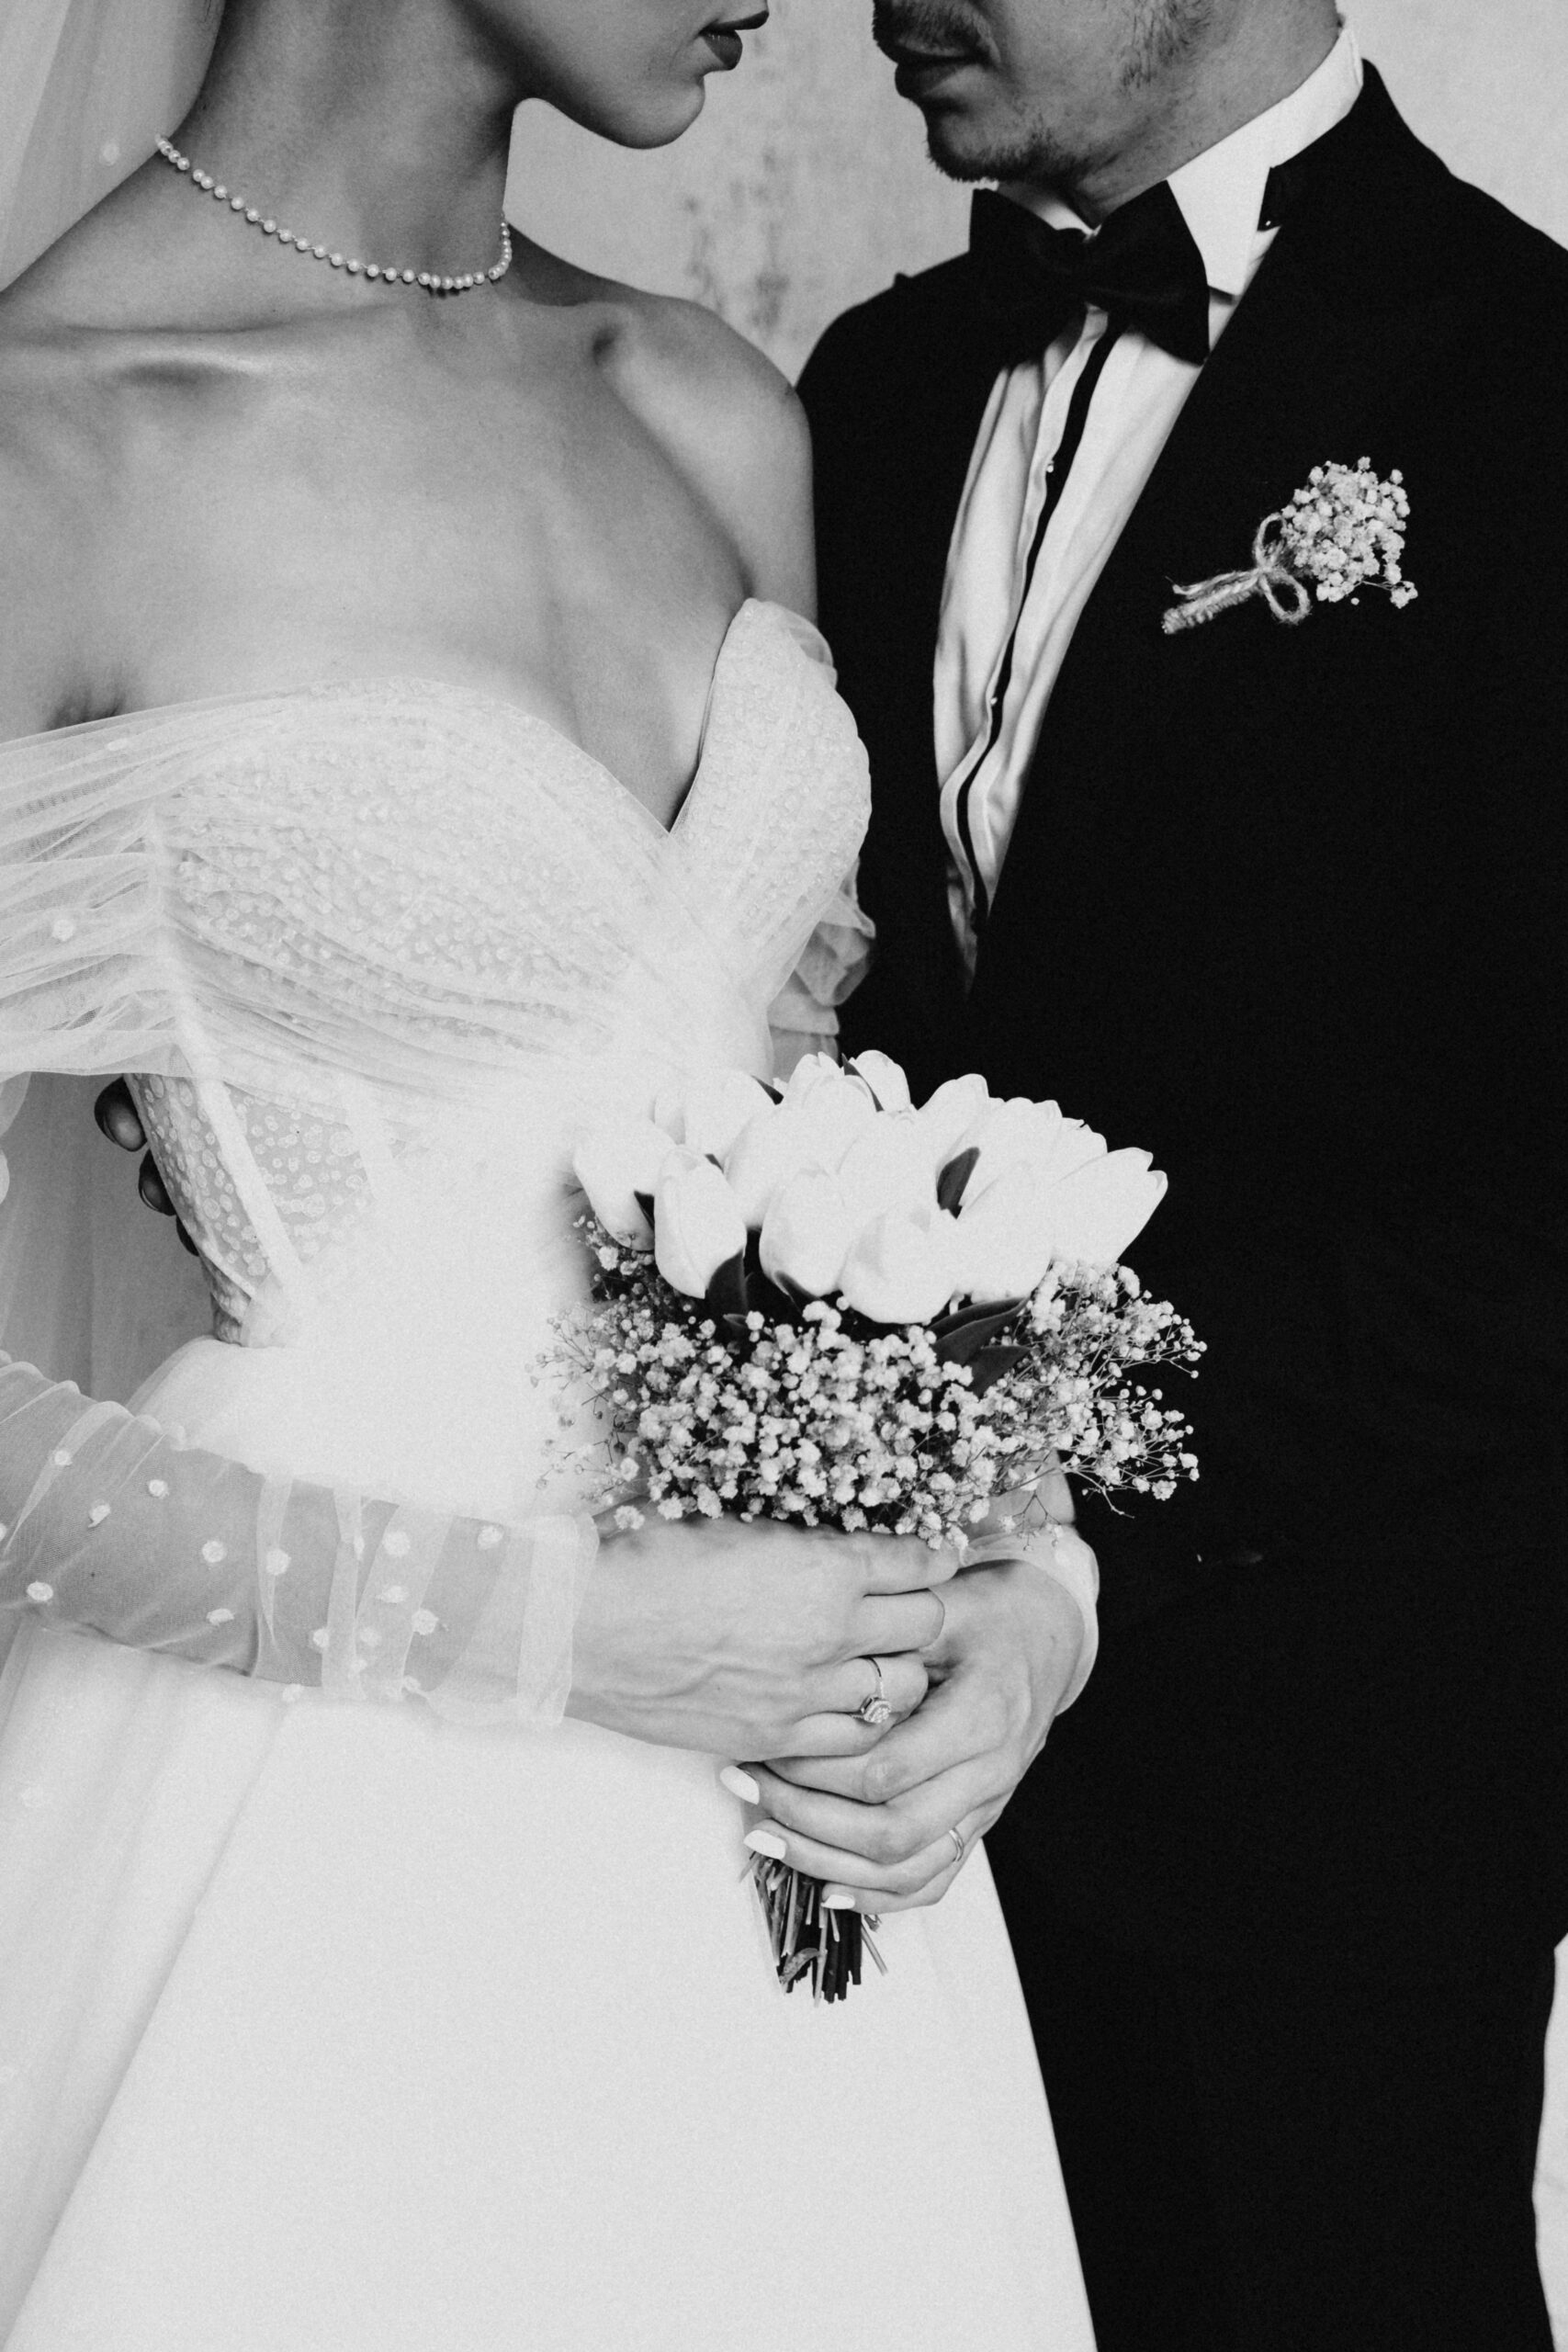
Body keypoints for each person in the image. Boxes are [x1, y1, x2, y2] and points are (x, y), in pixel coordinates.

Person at [0, 2, 1100, 2344]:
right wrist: (549, 1633)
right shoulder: (43, 457)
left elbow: (806, 1151)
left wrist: (1025, 1580)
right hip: (318, 1804)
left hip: (797, 1839)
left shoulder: (706, 404)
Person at [798, 2, 1568, 2346]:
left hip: (1317, 1795)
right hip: (850, 1765)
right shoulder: (867, 381)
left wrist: (1055, 1439)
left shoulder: (1527, 385)